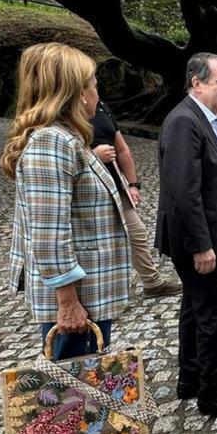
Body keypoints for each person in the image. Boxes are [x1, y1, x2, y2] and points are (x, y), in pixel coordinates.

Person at [3, 42, 130, 434]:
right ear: (75, 92)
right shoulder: (51, 144)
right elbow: (49, 235)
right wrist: (68, 301)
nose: (98, 92)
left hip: (88, 295)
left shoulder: (64, 139)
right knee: (69, 409)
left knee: (80, 395)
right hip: (78, 302)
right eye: (93, 83)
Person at [155, 53, 217, 417]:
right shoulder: (186, 121)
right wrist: (201, 246)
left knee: (195, 308)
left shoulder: (204, 118)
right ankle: (212, 393)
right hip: (200, 241)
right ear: (196, 84)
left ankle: (193, 376)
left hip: (202, 237)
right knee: (215, 311)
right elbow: (183, 192)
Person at [90, 101, 182, 298]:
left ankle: (152, 282)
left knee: (137, 233)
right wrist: (92, 156)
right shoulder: (61, 111)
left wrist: (132, 184)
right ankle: (106, 291)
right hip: (88, 191)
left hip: (115, 186)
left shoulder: (101, 107)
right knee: (98, 242)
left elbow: (122, 148)